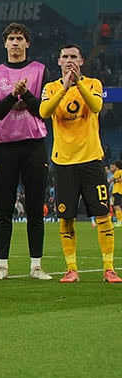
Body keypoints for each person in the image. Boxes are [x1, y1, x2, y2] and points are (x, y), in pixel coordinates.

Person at [39, 44, 120, 283]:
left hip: (91, 160)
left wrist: (77, 83)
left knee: (103, 214)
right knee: (67, 217)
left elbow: (95, 107)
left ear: (82, 61)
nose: (69, 60)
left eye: (73, 57)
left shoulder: (94, 84)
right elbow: (44, 111)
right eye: (65, 57)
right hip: (64, 162)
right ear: (58, 61)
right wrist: (64, 87)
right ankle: (71, 268)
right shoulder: (51, 88)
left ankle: (109, 268)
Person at [0, 22, 54, 280]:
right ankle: (2, 265)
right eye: (11, 38)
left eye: (19, 38)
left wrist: (26, 96)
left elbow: (46, 111)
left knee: (35, 208)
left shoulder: (40, 71)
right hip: (3, 146)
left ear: (27, 43)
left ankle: (36, 265)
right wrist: (13, 96)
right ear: (4, 43)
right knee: (4, 209)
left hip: (34, 145)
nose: (15, 43)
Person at [110, 161, 122, 227]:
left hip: (117, 191)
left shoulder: (118, 172)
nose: (113, 167)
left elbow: (112, 179)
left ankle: (120, 221)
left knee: (116, 206)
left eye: (114, 165)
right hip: (119, 191)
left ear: (117, 166)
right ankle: (119, 220)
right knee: (117, 206)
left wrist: (108, 181)